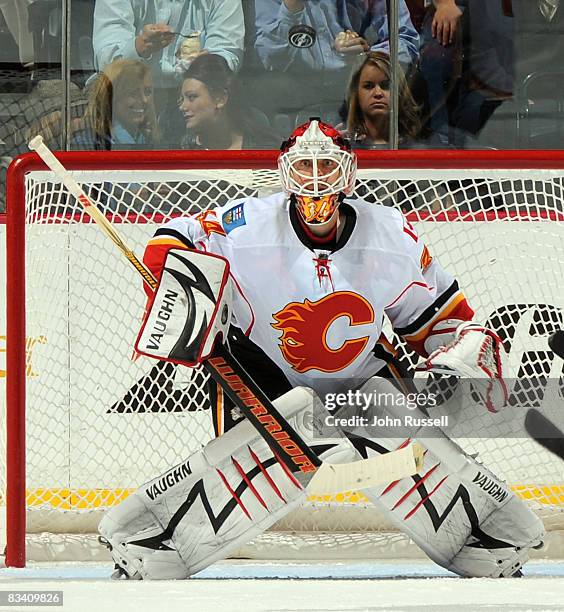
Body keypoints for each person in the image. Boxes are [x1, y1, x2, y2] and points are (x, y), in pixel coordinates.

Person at [98, 118, 545, 580]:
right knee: (297, 420)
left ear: (348, 172)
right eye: (304, 165)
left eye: (326, 165)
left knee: (382, 410)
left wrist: (452, 360)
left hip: (357, 387)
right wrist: (179, 295)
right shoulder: (248, 225)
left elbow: (445, 322)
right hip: (262, 384)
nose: (315, 178)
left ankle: (488, 531)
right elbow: (175, 237)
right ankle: (153, 535)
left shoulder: (392, 236)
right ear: (285, 172)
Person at [250, 0, 419, 121]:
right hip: (293, 102)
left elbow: (406, 42)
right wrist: (291, 8)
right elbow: (269, 60)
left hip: (357, 100)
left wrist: (366, 57)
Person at [92, 0, 245, 85]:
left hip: (196, 97)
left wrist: (208, 65)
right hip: (128, 96)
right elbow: (106, 62)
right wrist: (141, 47)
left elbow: (228, 52)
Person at [178, 54, 280, 150]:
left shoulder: (266, 150)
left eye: (191, 97)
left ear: (220, 99)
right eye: (182, 99)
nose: (182, 107)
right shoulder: (180, 148)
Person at [73, 59, 160, 150]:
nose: (144, 100)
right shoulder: (85, 145)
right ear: (111, 98)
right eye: (133, 93)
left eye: (147, 92)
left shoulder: (151, 139)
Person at [342, 51, 421, 147]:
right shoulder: (342, 147)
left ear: (399, 92)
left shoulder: (420, 149)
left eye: (386, 85)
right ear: (356, 94)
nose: (378, 93)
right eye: (368, 86)